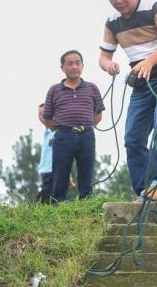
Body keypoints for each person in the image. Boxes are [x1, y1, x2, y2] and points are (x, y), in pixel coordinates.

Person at [98, 0, 157, 202]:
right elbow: (103, 56)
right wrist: (109, 65)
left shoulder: (154, 8)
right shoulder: (112, 23)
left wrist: (149, 61)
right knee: (133, 137)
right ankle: (144, 191)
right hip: (141, 82)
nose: (119, 1)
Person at [43, 50, 104, 203]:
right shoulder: (54, 90)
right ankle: (57, 205)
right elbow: (47, 117)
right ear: (62, 67)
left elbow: (98, 115)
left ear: (82, 65)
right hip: (63, 136)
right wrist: (60, 131)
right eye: (70, 63)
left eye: (77, 63)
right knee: (60, 174)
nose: (74, 66)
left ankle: (86, 204)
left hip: (86, 136)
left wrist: (85, 127)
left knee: (87, 172)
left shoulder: (92, 88)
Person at [36, 103, 75, 204]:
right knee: (51, 199)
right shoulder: (46, 133)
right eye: (39, 114)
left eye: (43, 114)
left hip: (53, 171)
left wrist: (68, 175)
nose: (41, 117)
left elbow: (63, 154)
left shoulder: (56, 133)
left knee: (43, 199)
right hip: (44, 172)